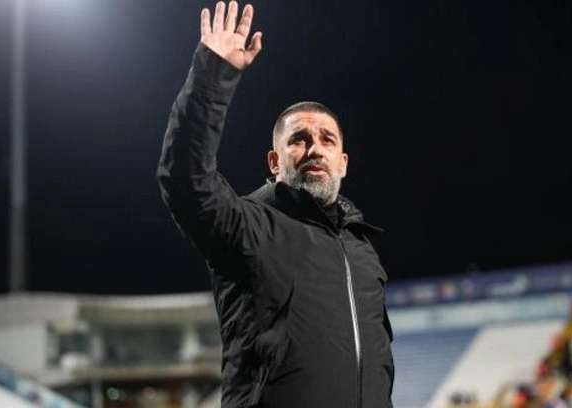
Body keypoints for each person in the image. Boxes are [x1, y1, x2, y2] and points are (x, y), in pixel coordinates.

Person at [156, 1, 394, 407]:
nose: (314, 149)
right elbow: (185, 179)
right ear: (274, 161)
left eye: (327, 140)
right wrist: (213, 75)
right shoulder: (247, 228)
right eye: (299, 140)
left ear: (343, 163)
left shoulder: (362, 249)